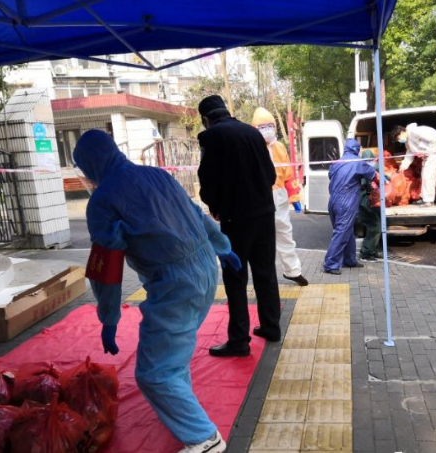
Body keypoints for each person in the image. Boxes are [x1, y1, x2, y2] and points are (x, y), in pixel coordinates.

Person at [74, 130, 239, 453]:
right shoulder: (156, 174)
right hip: (205, 269)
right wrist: (222, 247)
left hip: (174, 285)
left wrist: (108, 317)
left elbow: (106, 266)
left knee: (155, 373)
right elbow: (195, 213)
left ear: (89, 164)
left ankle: (205, 440)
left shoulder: (103, 201)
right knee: (172, 357)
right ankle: (183, 413)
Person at [197, 95, 282, 357]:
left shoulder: (210, 137)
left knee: (235, 278)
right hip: (265, 214)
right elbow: (270, 175)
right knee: (265, 272)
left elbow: (207, 179)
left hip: (236, 218)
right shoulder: (253, 133)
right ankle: (271, 327)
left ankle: (238, 341)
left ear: (205, 118)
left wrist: (214, 205)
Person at [251, 107, 308, 287]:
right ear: (254, 128)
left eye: (270, 126)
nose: (267, 130)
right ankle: (265, 276)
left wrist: (294, 197)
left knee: (284, 234)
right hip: (259, 196)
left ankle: (293, 271)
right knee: (261, 239)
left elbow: (288, 174)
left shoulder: (280, 147)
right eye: (262, 127)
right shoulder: (250, 147)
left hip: (280, 195)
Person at [323, 138, 377, 275]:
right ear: (357, 150)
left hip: (333, 201)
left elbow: (332, 176)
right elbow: (372, 175)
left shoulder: (336, 163)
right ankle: (330, 264)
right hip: (346, 202)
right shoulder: (357, 162)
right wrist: (385, 178)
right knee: (341, 233)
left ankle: (349, 260)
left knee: (347, 231)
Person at [397, 123, 436, 206]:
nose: (399, 140)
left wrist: (428, 151)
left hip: (435, 149)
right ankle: (424, 198)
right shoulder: (408, 141)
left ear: (402, 132)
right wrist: (403, 166)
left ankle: (429, 200)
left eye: (398, 138)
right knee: (424, 175)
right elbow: (409, 153)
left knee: (429, 175)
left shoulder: (415, 131)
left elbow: (433, 139)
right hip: (428, 154)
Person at [357, 148, 381, 262]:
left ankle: (372, 251)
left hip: (366, 202)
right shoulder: (366, 171)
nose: (372, 162)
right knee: (375, 227)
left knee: (372, 227)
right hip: (366, 203)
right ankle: (366, 253)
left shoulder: (361, 169)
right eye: (370, 160)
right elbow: (368, 185)